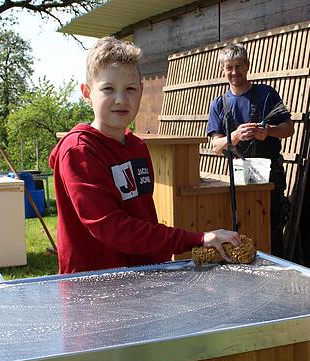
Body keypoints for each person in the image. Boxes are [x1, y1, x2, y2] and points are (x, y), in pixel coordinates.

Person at [49, 37, 240, 274]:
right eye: (108, 88)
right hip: (94, 290)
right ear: (87, 93)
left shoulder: (137, 147)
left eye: (130, 88)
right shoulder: (79, 151)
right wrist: (196, 238)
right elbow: (113, 228)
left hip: (144, 280)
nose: (121, 99)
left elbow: (143, 219)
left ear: (141, 90)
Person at [206, 43, 295, 257]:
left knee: (272, 230)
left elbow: (289, 128)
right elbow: (216, 146)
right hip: (238, 179)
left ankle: (277, 275)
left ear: (247, 65)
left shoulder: (267, 95)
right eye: (229, 67)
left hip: (270, 177)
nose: (234, 72)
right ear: (222, 69)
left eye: (239, 66)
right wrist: (235, 136)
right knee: (240, 231)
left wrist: (269, 131)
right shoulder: (220, 104)